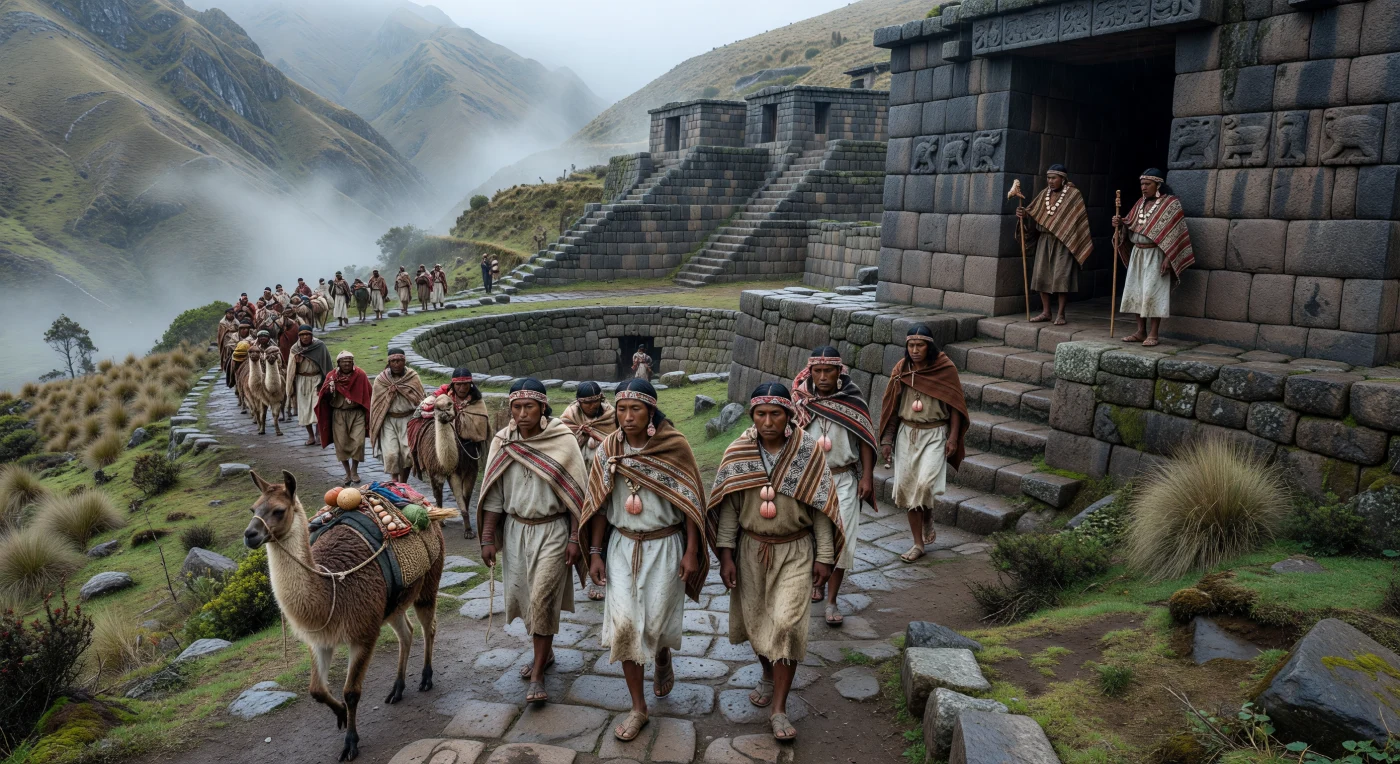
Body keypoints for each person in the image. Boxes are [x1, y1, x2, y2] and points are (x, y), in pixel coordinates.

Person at [710, 382, 843, 742]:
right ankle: (767, 673)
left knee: (786, 625)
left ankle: (779, 709)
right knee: (757, 624)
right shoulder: (739, 451)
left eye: (776, 414)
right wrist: (725, 556)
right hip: (750, 551)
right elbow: (729, 511)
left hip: (797, 551)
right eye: (761, 414)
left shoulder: (807, 452)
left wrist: (826, 556)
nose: (768, 421)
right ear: (752, 416)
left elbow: (821, 509)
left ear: (789, 416)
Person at [581, 379, 707, 743]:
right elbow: (600, 506)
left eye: (635, 409)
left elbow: (690, 505)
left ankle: (663, 654)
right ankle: (638, 707)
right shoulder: (609, 449)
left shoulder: (674, 446)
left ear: (651, 411)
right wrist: (595, 552)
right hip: (621, 546)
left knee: (655, 624)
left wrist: (692, 551)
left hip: (665, 545)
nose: (627, 416)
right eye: (621, 409)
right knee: (625, 627)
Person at [479, 378, 588, 705]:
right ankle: (547, 653)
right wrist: (487, 536)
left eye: (529, 406)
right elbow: (493, 493)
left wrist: (574, 537)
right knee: (526, 599)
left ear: (543, 408)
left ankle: (538, 673)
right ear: (510, 409)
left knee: (542, 597)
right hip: (515, 532)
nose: (523, 413)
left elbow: (576, 494)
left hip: (553, 531)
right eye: (517, 407)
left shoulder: (562, 440)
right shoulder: (503, 441)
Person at [792, 346, 878, 626]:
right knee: (810, 537)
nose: (823, 376)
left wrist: (866, 477)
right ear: (811, 371)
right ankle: (815, 582)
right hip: (809, 480)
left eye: (828, 371)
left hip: (844, 478)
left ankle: (831, 601)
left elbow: (865, 440)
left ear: (839, 372)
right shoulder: (801, 402)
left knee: (843, 541)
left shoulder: (854, 402)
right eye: (817, 371)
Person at [878, 325, 969, 562]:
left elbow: (956, 407)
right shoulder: (901, 369)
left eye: (920, 345)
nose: (915, 350)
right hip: (907, 434)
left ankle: (927, 513)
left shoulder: (945, 369)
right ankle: (918, 544)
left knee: (926, 484)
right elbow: (892, 409)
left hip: (935, 433)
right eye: (911, 345)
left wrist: (953, 438)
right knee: (909, 490)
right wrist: (887, 439)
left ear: (929, 346)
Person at [1113, 169, 1195, 347]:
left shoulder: (1171, 204)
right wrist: (1120, 225)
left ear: (1158, 185)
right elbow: (1131, 224)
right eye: (1141, 184)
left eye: (1147, 184)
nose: (1143, 188)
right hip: (1138, 253)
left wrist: (1168, 257)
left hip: (1156, 254)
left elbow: (1175, 234)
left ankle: (1153, 333)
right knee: (1136, 291)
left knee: (1153, 292)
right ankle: (1140, 331)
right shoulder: (1140, 203)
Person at [415, 368, 491, 538]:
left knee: (468, 487)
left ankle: (465, 513)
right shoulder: (445, 397)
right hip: (449, 445)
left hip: (469, 447)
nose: (462, 388)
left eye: (465, 384)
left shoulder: (477, 402)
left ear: (470, 384)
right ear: (453, 384)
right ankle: (441, 512)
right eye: (459, 384)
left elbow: (481, 423)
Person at [1016, 164, 1094, 326]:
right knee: (1041, 275)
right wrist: (1024, 214)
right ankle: (1046, 312)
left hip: (1064, 242)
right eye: (1048, 178)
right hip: (1044, 240)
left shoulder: (1074, 195)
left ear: (1063, 179)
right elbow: (1034, 213)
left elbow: (1077, 220)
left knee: (1061, 277)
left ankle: (1061, 314)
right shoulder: (1044, 194)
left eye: (1054, 178)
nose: (1050, 181)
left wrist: (1067, 234)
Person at [560, 382, 617, 601]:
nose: (592, 406)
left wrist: (595, 433)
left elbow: (616, 444)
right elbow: (561, 445)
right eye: (587, 403)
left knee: (604, 533)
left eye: (596, 402)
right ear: (579, 403)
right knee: (577, 532)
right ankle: (585, 574)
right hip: (578, 485)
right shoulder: (569, 419)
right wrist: (582, 435)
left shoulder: (611, 418)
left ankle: (603, 579)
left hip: (604, 486)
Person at [317, 350, 372, 485]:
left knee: (358, 442)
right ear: (339, 363)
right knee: (341, 443)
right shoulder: (332, 376)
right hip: (339, 413)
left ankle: (354, 470)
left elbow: (369, 393)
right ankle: (347, 472)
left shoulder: (360, 375)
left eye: (349, 361)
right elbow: (323, 395)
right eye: (344, 362)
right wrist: (329, 391)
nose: (347, 364)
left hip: (356, 413)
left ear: (353, 362)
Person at [369, 348, 424, 483]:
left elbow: (420, 398)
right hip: (388, 420)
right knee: (391, 453)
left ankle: (403, 482)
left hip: (408, 419)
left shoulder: (412, 376)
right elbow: (376, 404)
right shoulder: (381, 380)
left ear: (404, 361)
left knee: (408, 453)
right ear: (389, 362)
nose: (396, 364)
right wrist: (390, 394)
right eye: (393, 361)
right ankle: (394, 481)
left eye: (399, 361)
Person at [286, 325, 332, 446]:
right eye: (302, 335)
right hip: (302, 380)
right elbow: (291, 369)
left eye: (307, 334)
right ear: (299, 336)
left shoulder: (320, 346)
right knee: (304, 409)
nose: (305, 337)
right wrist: (296, 361)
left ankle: (319, 434)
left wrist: (324, 382)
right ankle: (311, 436)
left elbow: (326, 364)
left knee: (318, 408)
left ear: (311, 335)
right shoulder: (295, 348)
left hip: (317, 379)